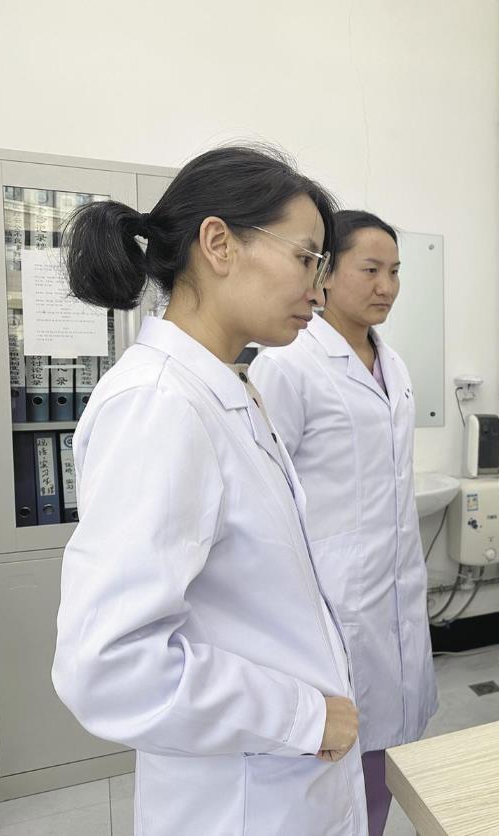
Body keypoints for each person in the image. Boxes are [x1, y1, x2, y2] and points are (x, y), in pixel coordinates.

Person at [51, 146, 367, 835]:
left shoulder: (226, 385)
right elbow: (109, 666)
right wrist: (302, 715)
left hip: (281, 784)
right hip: (236, 803)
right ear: (219, 244)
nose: (319, 292)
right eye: (307, 259)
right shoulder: (160, 403)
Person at [249, 210, 436, 836]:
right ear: (325, 273)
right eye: (371, 270)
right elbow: (269, 496)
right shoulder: (289, 363)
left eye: (396, 272)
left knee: (384, 760)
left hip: (395, 591)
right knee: (331, 780)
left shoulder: (394, 363)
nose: (387, 287)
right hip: (330, 602)